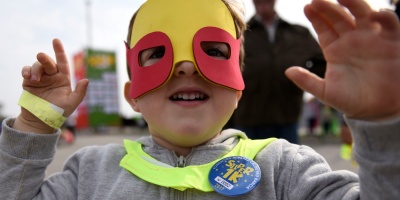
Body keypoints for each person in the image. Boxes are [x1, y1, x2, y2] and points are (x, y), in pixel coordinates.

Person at [0, 0, 399, 199]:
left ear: (240, 85)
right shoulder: (88, 174)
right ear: (131, 96)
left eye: (213, 51)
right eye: (157, 54)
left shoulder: (288, 171)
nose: (187, 67)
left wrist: (383, 125)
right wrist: (34, 125)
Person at [231, 0, 326, 144]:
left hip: (288, 119)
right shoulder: (239, 34)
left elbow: (323, 66)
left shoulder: (299, 34)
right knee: (249, 166)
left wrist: (304, 82)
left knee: (290, 165)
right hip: (248, 120)